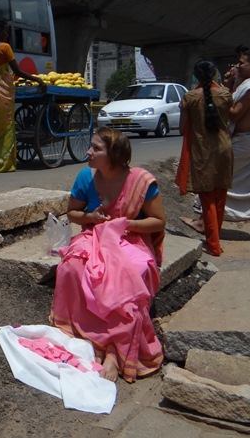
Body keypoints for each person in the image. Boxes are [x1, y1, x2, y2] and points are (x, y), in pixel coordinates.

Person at [50, 128, 166, 382]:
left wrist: (124, 224)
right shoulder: (86, 177)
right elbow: (72, 214)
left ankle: (116, 351)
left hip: (130, 239)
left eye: (96, 148)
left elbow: (158, 221)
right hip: (95, 238)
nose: (88, 152)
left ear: (113, 154)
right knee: (72, 267)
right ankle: (96, 341)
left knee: (131, 275)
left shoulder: (141, 181)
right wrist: (90, 218)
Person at [183, 50, 250, 241]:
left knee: (216, 179)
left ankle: (203, 221)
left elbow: (234, 113)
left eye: (242, 63)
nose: (237, 66)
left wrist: (220, 92)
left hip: (243, 142)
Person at [0, 20, 45, 172]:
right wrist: (37, 79)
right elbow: (17, 71)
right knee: (6, 128)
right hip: (2, 94)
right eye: (5, 31)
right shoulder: (5, 47)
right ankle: (5, 164)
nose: (7, 34)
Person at [175, 61, 233, 256]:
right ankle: (215, 239)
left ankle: (214, 244)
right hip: (224, 148)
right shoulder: (225, 95)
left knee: (207, 198)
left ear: (196, 77)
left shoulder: (190, 97)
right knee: (220, 195)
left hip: (202, 151)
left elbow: (183, 128)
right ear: (215, 73)